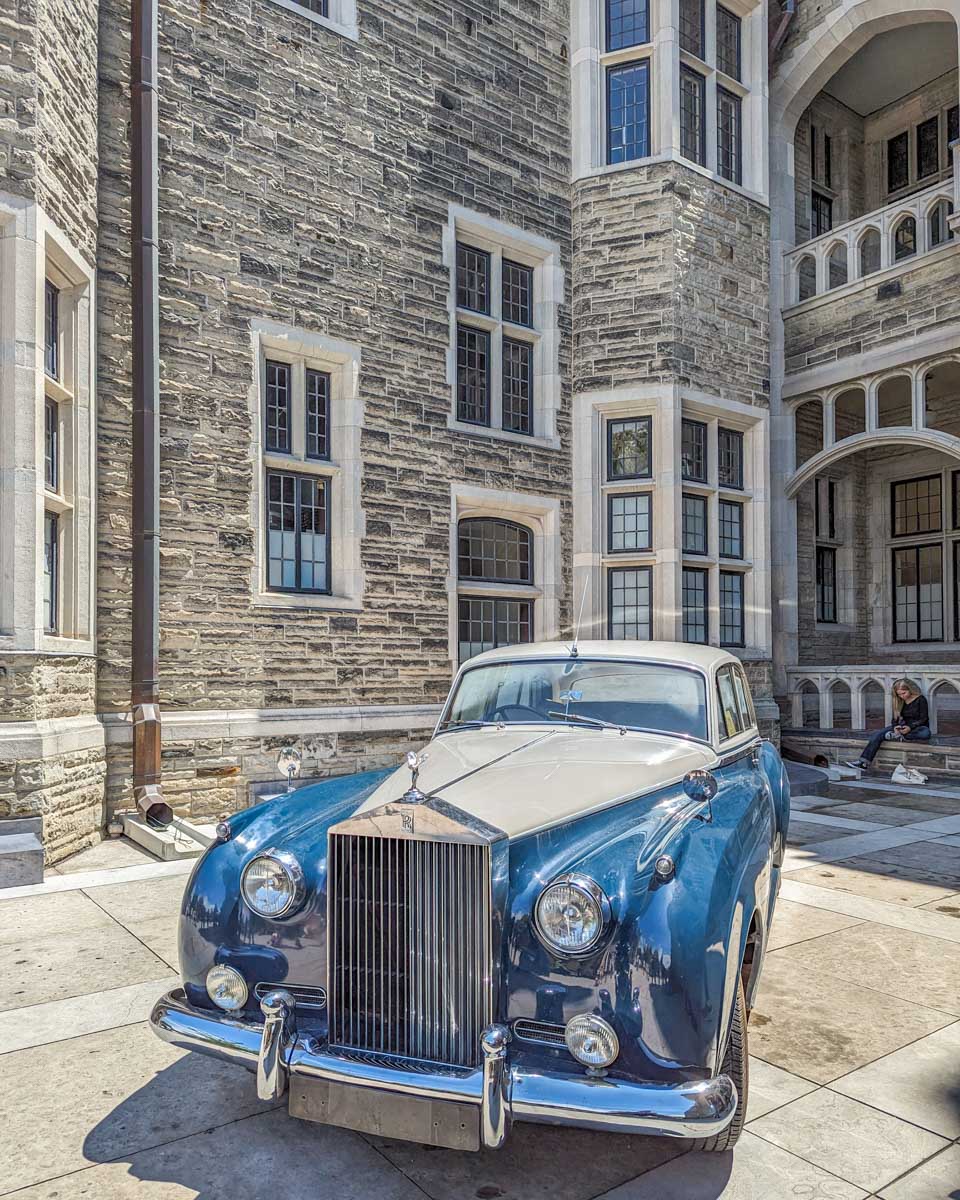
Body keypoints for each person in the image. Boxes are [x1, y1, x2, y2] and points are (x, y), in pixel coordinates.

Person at [845, 678, 931, 771]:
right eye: (899, 694)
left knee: (925, 733)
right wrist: (895, 727)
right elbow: (895, 719)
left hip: (917, 727)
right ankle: (863, 763)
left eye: (904, 693)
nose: (902, 696)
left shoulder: (920, 699)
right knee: (877, 735)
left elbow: (924, 718)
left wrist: (910, 727)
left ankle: (899, 736)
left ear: (909, 690)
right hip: (902, 726)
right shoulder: (899, 701)